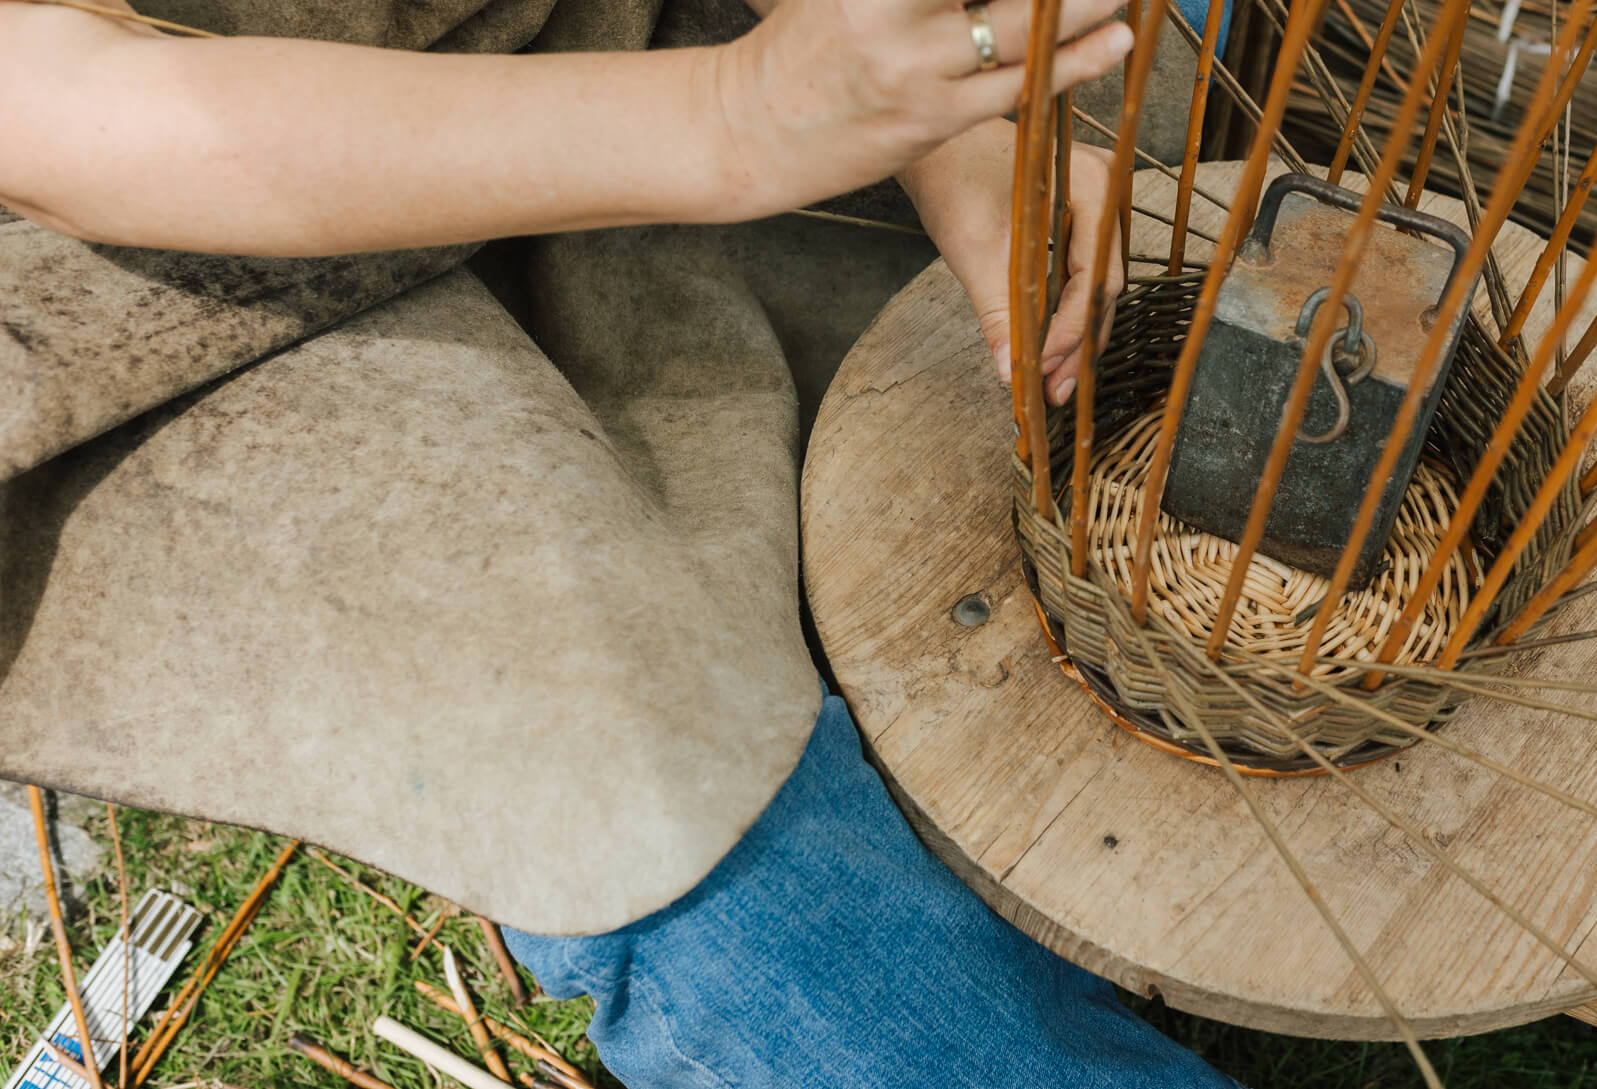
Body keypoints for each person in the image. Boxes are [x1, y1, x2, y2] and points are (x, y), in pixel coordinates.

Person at [0, 0, 1238, 1085]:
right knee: (645, 788)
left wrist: (945, 135)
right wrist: (736, 117)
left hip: (604, 33)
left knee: (1136, 156)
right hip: (158, 270)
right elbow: (61, 101)